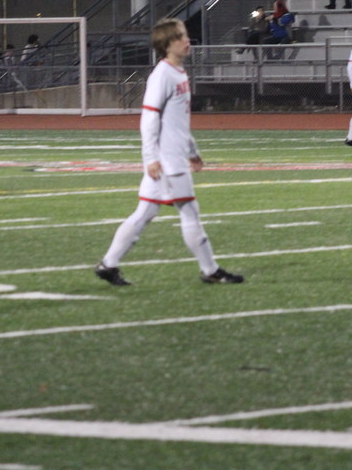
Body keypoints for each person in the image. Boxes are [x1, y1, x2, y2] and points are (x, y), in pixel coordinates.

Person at [95, 18, 243, 286]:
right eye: (180, 37)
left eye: (185, 35)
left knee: (145, 213)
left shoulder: (178, 72)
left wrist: (192, 150)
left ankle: (108, 264)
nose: (187, 41)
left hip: (171, 157)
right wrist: (151, 158)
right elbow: (149, 119)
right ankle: (210, 270)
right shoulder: (162, 75)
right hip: (168, 162)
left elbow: (178, 122)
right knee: (189, 211)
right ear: (166, 44)